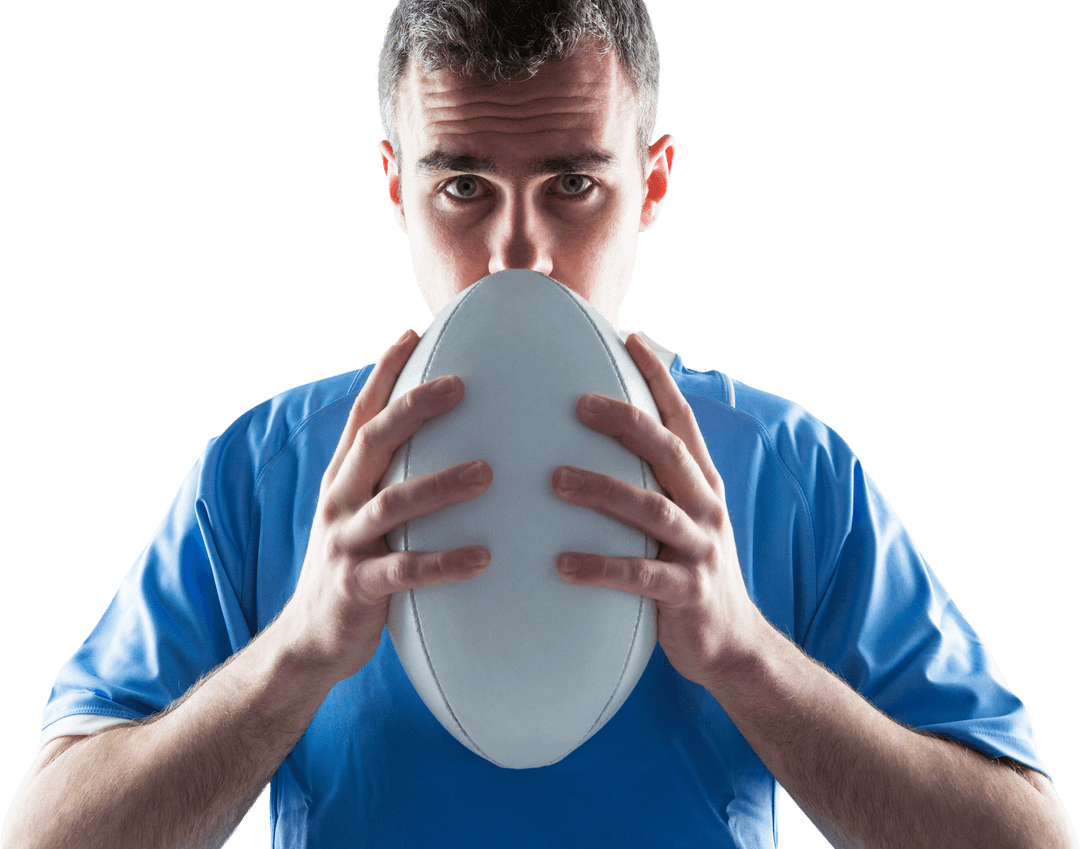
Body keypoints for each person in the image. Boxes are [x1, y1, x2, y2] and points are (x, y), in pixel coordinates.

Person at [2, 1, 1076, 846]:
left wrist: (749, 657)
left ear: (650, 185)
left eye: (572, 183)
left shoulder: (783, 470)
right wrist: (293, 656)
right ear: (394, 189)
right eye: (464, 184)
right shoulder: (269, 469)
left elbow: (1030, 838)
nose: (521, 252)